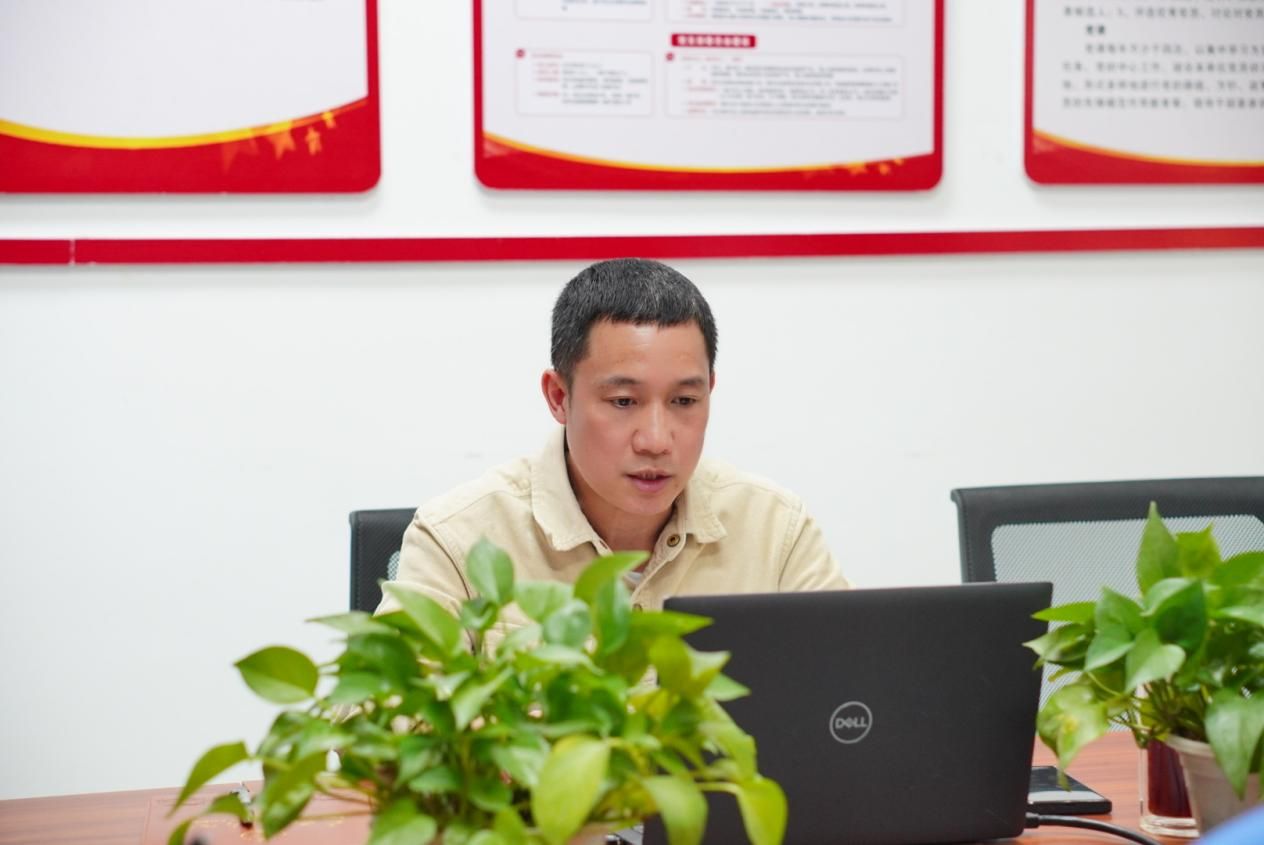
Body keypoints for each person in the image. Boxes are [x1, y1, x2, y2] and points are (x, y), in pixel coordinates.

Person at [377, 258, 847, 625]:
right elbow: (384, 714)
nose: (656, 441)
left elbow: (852, 693)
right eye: (624, 402)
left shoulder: (775, 530)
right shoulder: (458, 540)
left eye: (685, 401)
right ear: (559, 397)